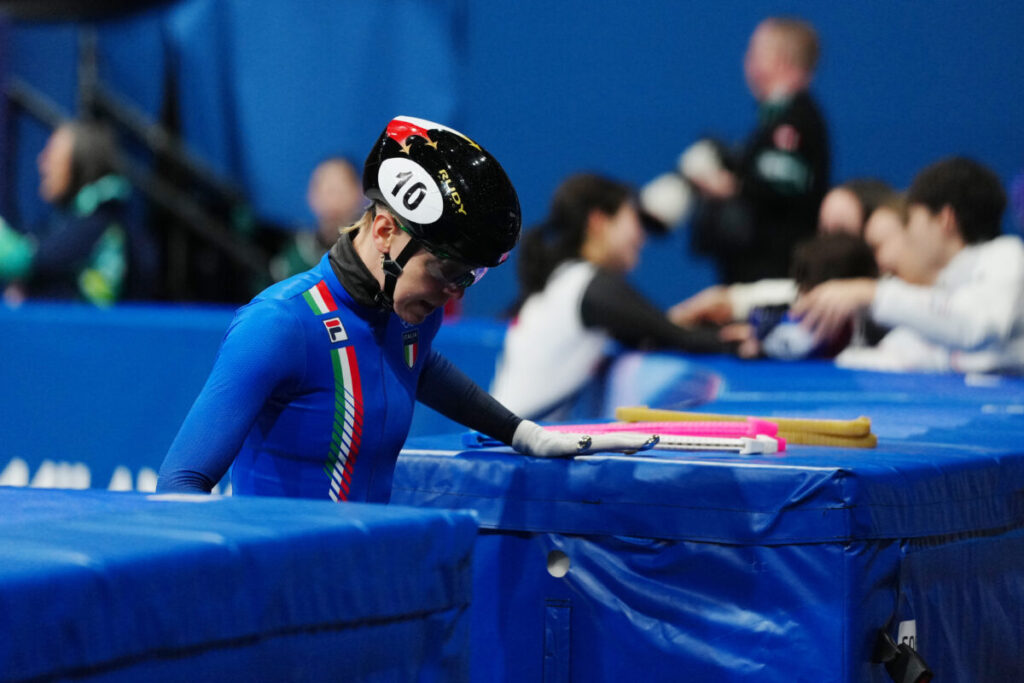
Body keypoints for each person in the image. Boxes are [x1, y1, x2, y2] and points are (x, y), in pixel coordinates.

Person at [157, 117, 654, 501]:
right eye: (446, 270)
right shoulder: (279, 325)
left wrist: (521, 433)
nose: (453, 292)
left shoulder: (410, 312)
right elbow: (180, 484)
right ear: (385, 231)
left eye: (471, 277)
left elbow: (419, 366)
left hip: (366, 581)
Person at [490, 173, 738, 421]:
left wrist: (687, 316)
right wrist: (739, 339)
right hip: (510, 440)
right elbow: (677, 337)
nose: (641, 236)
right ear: (599, 221)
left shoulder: (566, 280)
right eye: (633, 218)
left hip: (504, 434)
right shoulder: (590, 285)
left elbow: (648, 332)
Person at [793, 157, 1024, 374]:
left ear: (945, 219)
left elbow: (975, 328)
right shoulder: (950, 283)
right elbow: (917, 347)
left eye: (912, 220)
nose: (909, 234)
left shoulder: (1007, 255)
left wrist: (872, 292)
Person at [688, 17, 830, 284]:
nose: (747, 62)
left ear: (782, 61)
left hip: (773, 274)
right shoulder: (776, 119)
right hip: (754, 272)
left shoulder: (795, 121)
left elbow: (781, 188)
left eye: (755, 53)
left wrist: (728, 186)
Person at [670, 178, 895, 327]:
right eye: (824, 231)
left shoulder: (896, 300)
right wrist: (730, 300)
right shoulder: (816, 294)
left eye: (840, 233)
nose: (827, 245)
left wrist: (868, 292)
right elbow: (791, 296)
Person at [0, 120, 133, 305]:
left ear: (80, 163)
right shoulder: (67, 219)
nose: (42, 163)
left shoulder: (100, 220)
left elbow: (30, 260)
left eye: (51, 155)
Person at [270, 156, 365, 281]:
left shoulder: (376, 250)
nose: (331, 200)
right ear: (310, 196)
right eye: (325, 190)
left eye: (339, 190)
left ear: (360, 193)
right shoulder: (295, 257)